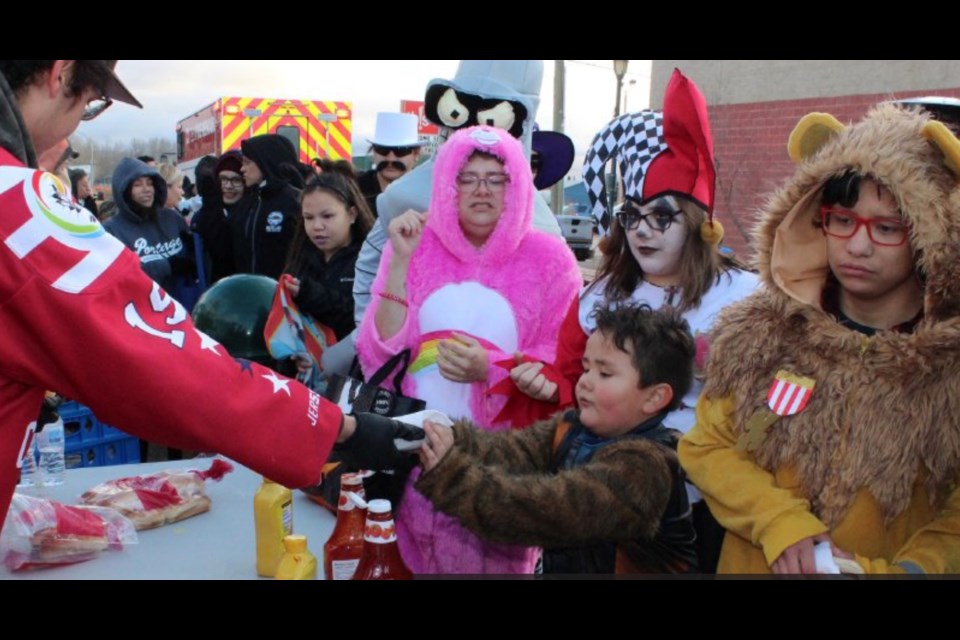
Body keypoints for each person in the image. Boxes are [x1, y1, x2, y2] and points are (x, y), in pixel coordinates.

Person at [0, 59, 419, 526]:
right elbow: (162, 362)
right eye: (93, 104)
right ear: (61, 74)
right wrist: (337, 427)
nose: (78, 123)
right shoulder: (14, 205)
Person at [679, 103, 960, 574]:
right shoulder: (760, 336)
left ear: (929, 238)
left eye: (886, 228)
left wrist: (908, 571)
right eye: (842, 220)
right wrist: (779, 522)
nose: (857, 245)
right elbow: (707, 447)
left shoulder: (946, 369)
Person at [509, 70, 758, 571]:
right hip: (605, 495)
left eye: (661, 217)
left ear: (700, 223)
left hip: (709, 505)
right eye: (632, 216)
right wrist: (545, 385)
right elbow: (569, 378)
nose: (642, 232)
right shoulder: (600, 295)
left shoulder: (748, 300)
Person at [356, 125, 582, 574]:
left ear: (516, 185)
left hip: (501, 470)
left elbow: (565, 362)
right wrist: (400, 259)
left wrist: (492, 368)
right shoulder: (415, 245)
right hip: (415, 460)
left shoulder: (550, 259)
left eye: (495, 178)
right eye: (467, 177)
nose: (481, 190)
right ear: (447, 185)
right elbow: (379, 352)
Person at [417, 304, 699, 574]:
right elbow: (503, 452)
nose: (585, 381)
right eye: (586, 368)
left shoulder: (646, 467)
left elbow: (541, 512)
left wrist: (450, 475)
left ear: (654, 397)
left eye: (605, 373)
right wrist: (435, 431)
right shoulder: (571, 428)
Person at [283, 173, 374, 368]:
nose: (317, 226)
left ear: (352, 214)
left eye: (328, 216)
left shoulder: (370, 261)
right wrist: (292, 357)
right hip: (308, 387)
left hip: (355, 377)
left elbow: (364, 319)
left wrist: (309, 294)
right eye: (308, 218)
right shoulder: (299, 261)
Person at [104, 157, 194, 296]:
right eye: (138, 185)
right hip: (142, 309)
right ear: (124, 190)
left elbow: (194, 257)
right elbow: (117, 275)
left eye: (150, 183)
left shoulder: (172, 217)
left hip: (181, 306)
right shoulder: (111, 230)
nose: (146, 189)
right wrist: (167, 266)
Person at [231, 134, 302, 278]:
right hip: (250, 292)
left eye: (247, 162)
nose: (242, 169)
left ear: (265, 162)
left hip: (284, 293)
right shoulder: (247, 201)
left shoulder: (295, 201)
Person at [356, 112, 424, 218]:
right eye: (383, 150)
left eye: (401, 151)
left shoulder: (428, 192)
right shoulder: (355, 189)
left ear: (416, 153)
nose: (390, 159)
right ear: (374, 152)